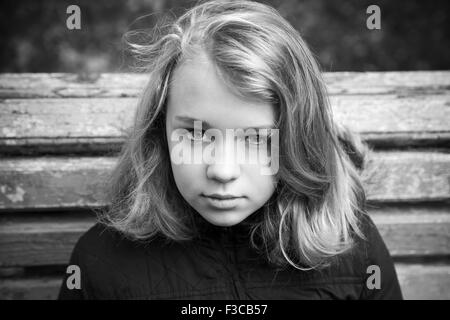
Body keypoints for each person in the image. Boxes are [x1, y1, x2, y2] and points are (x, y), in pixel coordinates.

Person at [58, 0, 402, 300]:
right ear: (159, 130)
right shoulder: (102, 262)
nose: (222, 171)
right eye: (195, 134)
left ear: (296, 139)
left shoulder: (353, 248)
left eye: (255, 139)